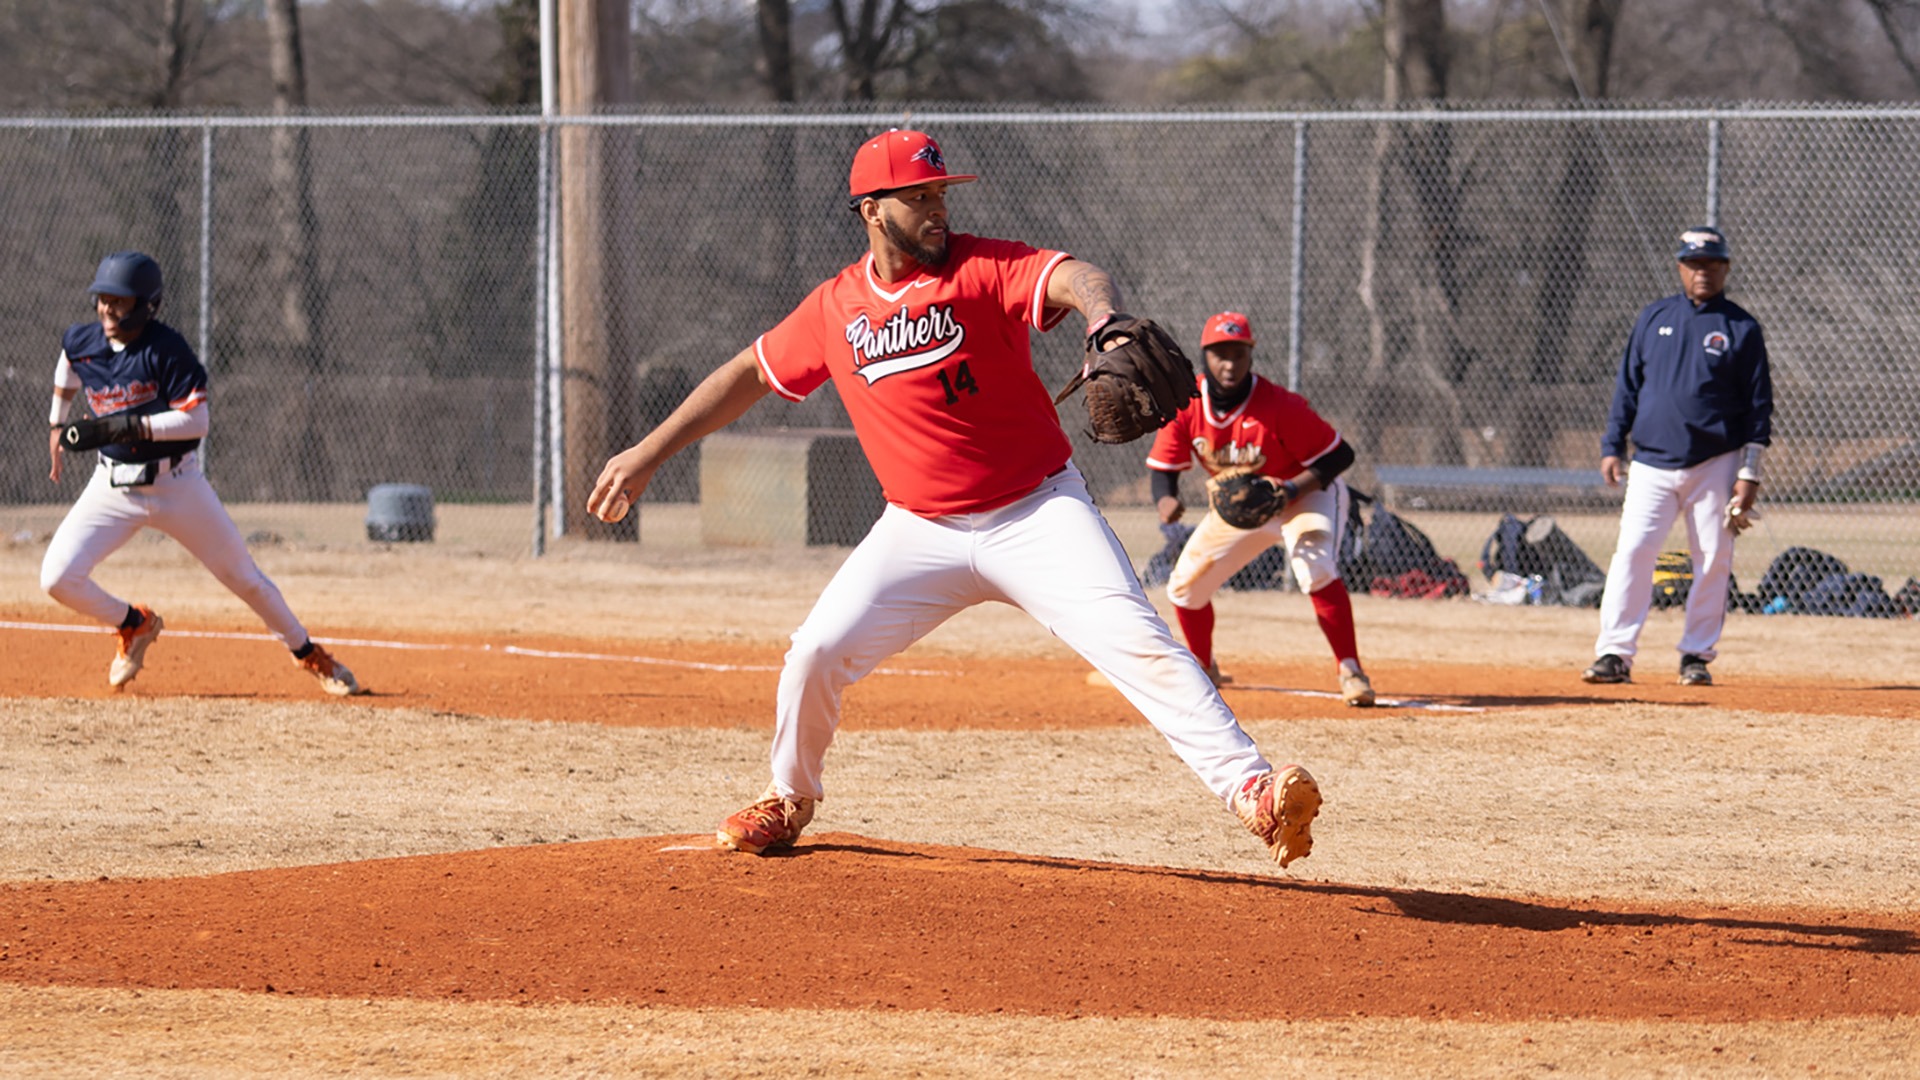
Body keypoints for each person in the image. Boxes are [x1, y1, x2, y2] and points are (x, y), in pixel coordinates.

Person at [588, 130, 1322, 866]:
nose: (938, 209)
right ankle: (789, 796)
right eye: (920, 197)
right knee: (814, 652)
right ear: (873, 210)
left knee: (1138, 641)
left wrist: (1102, 319)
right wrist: (647, 453)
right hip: (918, 531)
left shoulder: (983, 266)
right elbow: (747, 375)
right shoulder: (833, 308)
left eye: (941, 194)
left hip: (1036, 512)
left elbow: (1076, 276)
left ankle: (1254, 792)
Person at [43, 251, 364, 697]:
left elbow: (197, 422)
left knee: (244, 578)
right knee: (56, 578)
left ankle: (308, 653)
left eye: (118, 300)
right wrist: (57, 425)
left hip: (177, 485)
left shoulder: (166, 350)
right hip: (113, 486)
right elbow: (67, 362)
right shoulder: (85, 341)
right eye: (102, 298)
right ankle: (134, 624)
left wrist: (129, 425)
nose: (106, 308)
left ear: (146, 304)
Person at [1145, 311, 1376, 707]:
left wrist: (1287, 491)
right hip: (1243, 509)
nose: (1229, 364)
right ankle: (1203, 666)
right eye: (1220, 354)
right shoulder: (1189, 404)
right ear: (1204, 356)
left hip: (1305, 493)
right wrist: (1167, 503)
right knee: (1184, 588)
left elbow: (1340, 455)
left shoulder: (1278, 406)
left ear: (1251, 356)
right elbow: (1163, 471)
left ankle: (1350, 669)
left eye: (1238, 353)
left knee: (1314, 565)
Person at [1582, 226, 1772, 687]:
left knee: (1711, 558)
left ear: (1725, 269)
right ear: (1680, 267)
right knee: (1632, 552)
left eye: (1711, 264)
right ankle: (1614, 653)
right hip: (1650, 461)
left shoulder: (1741, 328)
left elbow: (1759, 408)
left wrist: (1749, 473)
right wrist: (1612, 445)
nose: (1702, 272)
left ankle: (1696, 656)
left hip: (1716, 461)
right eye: (1693, 263)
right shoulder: (1654, 317)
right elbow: (1628, 387)